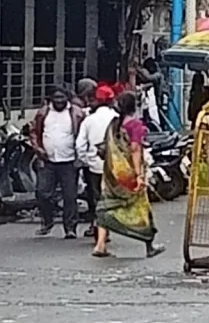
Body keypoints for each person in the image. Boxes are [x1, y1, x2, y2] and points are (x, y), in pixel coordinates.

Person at [92, 91, 165, 259]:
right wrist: (139, 175)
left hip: (112, 174)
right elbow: (135, 149)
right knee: (141, 208)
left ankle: (100, 244)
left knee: (106, 206)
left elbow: (105, 148)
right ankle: (149, 246)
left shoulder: (113, 124)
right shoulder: (135, 125)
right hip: (129, 174)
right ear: (135, 106)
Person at [30, 85, 85, 239]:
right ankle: (47, 221)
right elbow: (34, 132)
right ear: (51, 99)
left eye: (62, 98)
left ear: (67, 98)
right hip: (48, 160)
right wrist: (38, 149)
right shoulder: (43, 113)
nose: (59, 101)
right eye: (56, 98)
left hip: (69, 160)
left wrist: (80, 156)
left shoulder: (77, 113)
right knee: (42, 193)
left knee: (70, 196)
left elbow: (83, 134)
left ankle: (70, 228)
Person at [76, 85, 119, 238]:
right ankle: (105, 229)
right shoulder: (117, 119)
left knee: (96, 197)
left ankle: (97, 226)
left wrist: (86, 160)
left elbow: (79, 145)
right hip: (114, 166)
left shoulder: (89, 120)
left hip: (94, 166)